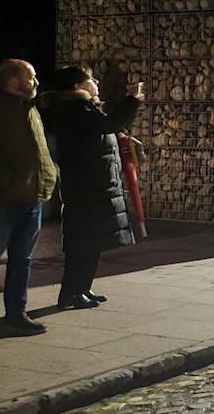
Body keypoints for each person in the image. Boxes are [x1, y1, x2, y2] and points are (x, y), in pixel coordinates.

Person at [43, 67, 143, 310]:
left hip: (95, 185)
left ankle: (81, 289)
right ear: (78, 85)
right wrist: (132, 101)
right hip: (86, 187)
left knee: (93, 242)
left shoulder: (85, 108)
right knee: (83, 243)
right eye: (91, 79)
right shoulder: (76, 109)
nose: (96, 82)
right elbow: (109, 124)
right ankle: (72, 293)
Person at [0, 60, 56, 343]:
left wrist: (49, 175)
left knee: (22, 260)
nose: (36, 82)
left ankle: (15, 316)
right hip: (0, 201)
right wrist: (5, 180)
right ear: (13, 82)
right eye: (31, 77)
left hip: (32, 198)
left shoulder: (29, 110)